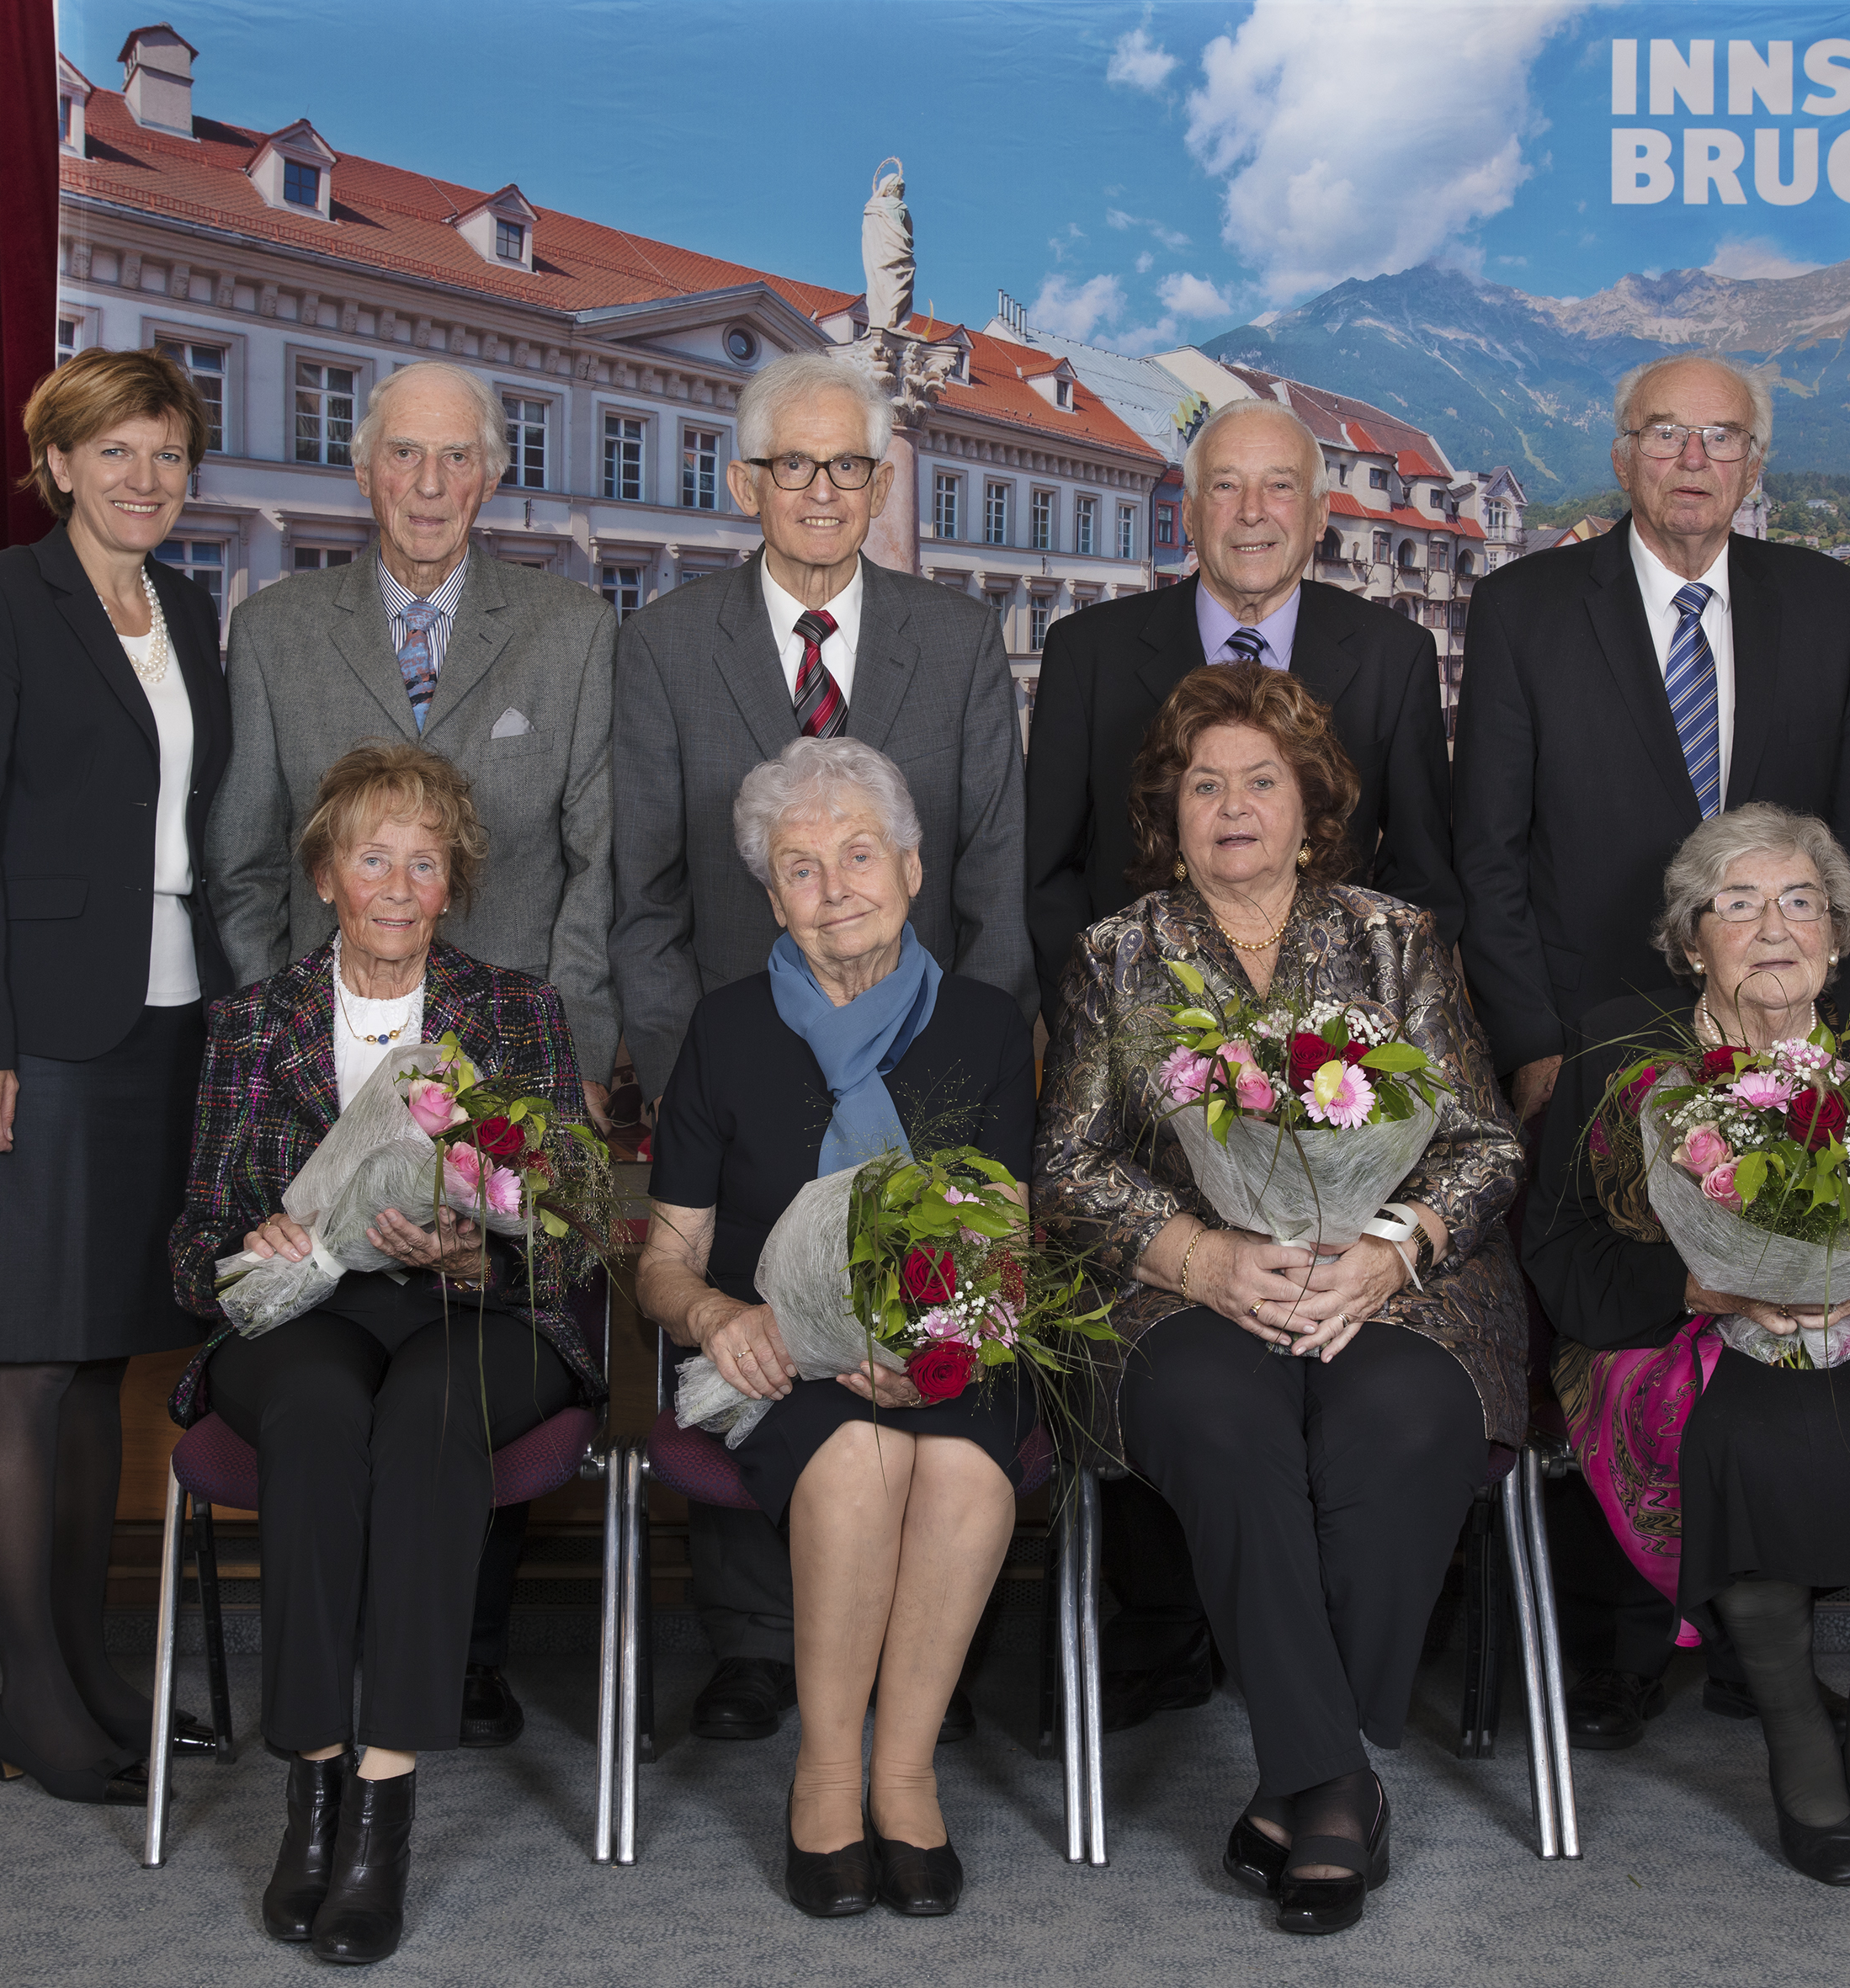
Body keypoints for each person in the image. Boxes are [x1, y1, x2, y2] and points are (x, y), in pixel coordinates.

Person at [1451, 352, 1850, 1754]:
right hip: (1592, 1055)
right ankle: (1614, 1646)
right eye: (1666, 433)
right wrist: (1536, 1050)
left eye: (1721, 437)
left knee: (1783, 1325)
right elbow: (1489, 856)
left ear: (1755, 462)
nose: (1694, 460)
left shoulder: (1827, 603)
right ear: (1622, 455)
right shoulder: (1528, 608)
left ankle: (1770, 1638)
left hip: (1783, 1048)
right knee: (1620, 1324)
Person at [1035, 664, 1527, 1937]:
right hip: (1182, 1293)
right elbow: (1070, 1167)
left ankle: (1297, 1786)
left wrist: (1388, 1250)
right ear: (1171, 811)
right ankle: (1338, 1789)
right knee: (1228, 1423)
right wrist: (1200, 1257)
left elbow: (1484, 1144)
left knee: (1400, 1423)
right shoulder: (1115, 956)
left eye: (1262, 781)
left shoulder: (1396, 938)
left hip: (1391, 1286)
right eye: (1206, 785)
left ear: (1312, 806)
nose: (1235, 807)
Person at [1024, 396, 1464, 1734]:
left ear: (1319, 513)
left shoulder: (1390, 661)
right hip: (1157, 1152)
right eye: (1228, 485)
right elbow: (1047, 869)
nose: (1256, 511)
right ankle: (1239, 1689)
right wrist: (1108, 1047)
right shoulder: (1092, 654)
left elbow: (1428, 868)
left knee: (1383, 1411)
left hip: (1358, 1183)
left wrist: (1380, 1220)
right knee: (1215, 1406)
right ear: (1190, 505)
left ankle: (1309, 1741)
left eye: (1282, 487)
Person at [613, 352, 1029, 1745]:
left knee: (918, 1340)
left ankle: (921, 1656)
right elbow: (645, 894)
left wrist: (952, 1064)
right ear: (747, 483)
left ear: (879, 480)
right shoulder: (666, 644)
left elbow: (992, 882)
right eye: (793, 464)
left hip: (926, 1061)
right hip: (745, 1070)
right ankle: (754, 1641)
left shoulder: (957, 640)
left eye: (847, 464)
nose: (821, 490)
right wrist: (700, 1067)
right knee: (758, 1314)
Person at [207, 358, 616, 1747]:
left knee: (462, 1362)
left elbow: (600, 864)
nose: (430, 484)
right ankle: (363, 1719)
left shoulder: (570, 630)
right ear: (363, 467)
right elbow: (243, 862)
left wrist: (558, 1060)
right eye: (404, 455)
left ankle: (460, 1662)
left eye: (458, 458)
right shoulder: (276, 630)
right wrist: (280, 1058)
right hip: (320, 1089)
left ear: (491, 476)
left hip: (510, 1070)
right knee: (343, 1396)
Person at [1524, 805, 1850, 1894]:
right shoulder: (1616, 1052)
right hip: (1679, 1334)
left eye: (1801, 902)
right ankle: (1802, 1744)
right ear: (1690, 939)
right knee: (1745, 1432)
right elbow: (1559, 1256)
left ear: (1837, 935)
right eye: (1739, 904)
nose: (1773, 927)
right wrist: (1705, 1286)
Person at [169, 742, 602, 1964]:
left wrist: (478, 1254)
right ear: (325, 875)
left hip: (473, 1311)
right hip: (306, 1316)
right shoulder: (252, 1026)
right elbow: (191, 1250)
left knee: (428, 1416)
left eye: (426, 861)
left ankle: (382, 1806)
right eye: (374, 859)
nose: (400, 887)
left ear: (454, 884)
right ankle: (310, 1788)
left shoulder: (517, 1013)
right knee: (315, 1413)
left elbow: (574, 1238)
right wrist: (252, 1238)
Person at [635, 737, 1036, 1918]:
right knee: (860, 1459)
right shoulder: (724, 1030)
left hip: (954, 1342)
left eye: (860, 855)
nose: (834, 887)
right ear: (773, 898)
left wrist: (938, 1339)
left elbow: (1009, 1243)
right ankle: (823, 1775)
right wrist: (715, 1314)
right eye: (800, 868)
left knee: (961, 1472)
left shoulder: (986, 1025)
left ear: (912, 869)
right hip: (781, 1352)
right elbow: (664, 1262)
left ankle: (903, 1777)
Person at [0, 348, 230, 1806]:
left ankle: (94, 1675)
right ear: (57, 465)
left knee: (101, 1362)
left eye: (166, 453)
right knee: (24, 1361)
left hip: (168, 1018)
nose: (144, 478)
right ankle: (29, 1697)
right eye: (115, 451)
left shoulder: (190, 610)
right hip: (34, 1030)